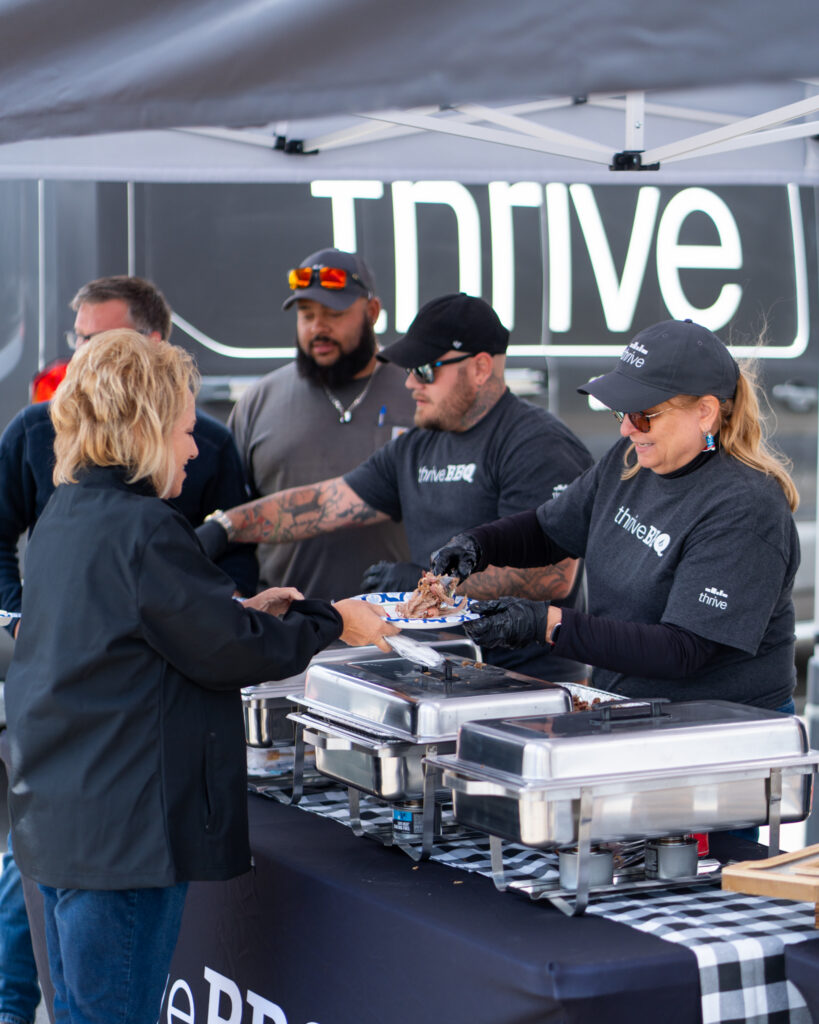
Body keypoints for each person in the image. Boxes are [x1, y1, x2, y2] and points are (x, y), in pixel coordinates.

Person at [3, 329, 396, 1024]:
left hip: (64, 823)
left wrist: (238, 608)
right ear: (149, 428)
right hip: (121, 839)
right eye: (185, 430)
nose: (193, 448)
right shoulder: (143, 527)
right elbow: (230, 651)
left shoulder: (66, 512)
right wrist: (336, 622)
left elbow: (152, 625)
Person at [0, 275, 257, 1024]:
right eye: (80, 339)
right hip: (110, 804)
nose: (82, 354)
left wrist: (226, 605)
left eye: (99, 340)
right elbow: (224, 639)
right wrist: (23, 617)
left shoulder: (191, 456)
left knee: (83, 995)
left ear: (151, 346)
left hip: (76, 785)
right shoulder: (50, 451)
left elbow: (222, 574)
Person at [200, 293, 594, 682]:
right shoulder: (417, 445)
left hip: (527, 679)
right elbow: (323, 503)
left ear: (479, 368)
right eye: (409, 369)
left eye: (424, 370)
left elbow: (549, 575)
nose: (408, 383)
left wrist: (425, 585)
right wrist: (223, 527)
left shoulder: (537, 445)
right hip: (443, 666)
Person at [430, 318, 800, 713]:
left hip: (719, 728)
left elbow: (681, 650)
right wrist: (479, 545)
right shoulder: (632, 462)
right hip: (623, 708)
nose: (626, 429)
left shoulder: (745, 507)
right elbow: (549, 529)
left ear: (705, 412)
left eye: (643, 415)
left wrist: (547, 623)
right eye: (621, 412)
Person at [228, 247, 415, 601]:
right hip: (287, 632)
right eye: (306, 314)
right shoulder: (259, 401)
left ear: (372, 312)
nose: (317, 328)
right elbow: (231, 517)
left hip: (398, 628)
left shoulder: (418, 393)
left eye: (334, 313)